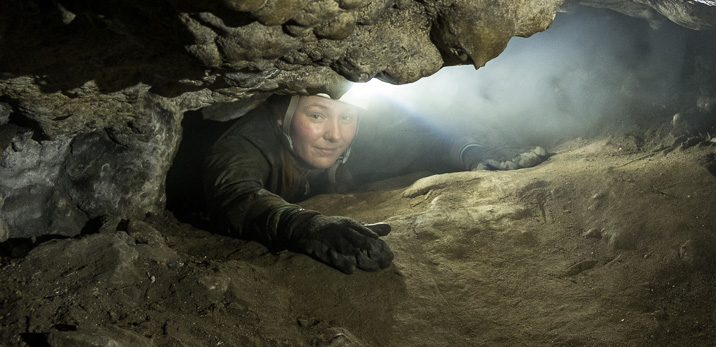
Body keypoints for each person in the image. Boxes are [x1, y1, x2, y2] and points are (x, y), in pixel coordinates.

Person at [201, 82, 548, 273]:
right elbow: (234, 195)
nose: (335, 135)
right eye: (317, 115)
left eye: (348, 118)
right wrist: (302, 225)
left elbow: (420, 141)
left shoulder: (354, 141)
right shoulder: (248, 142)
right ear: (283, 119)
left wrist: (472, 150)